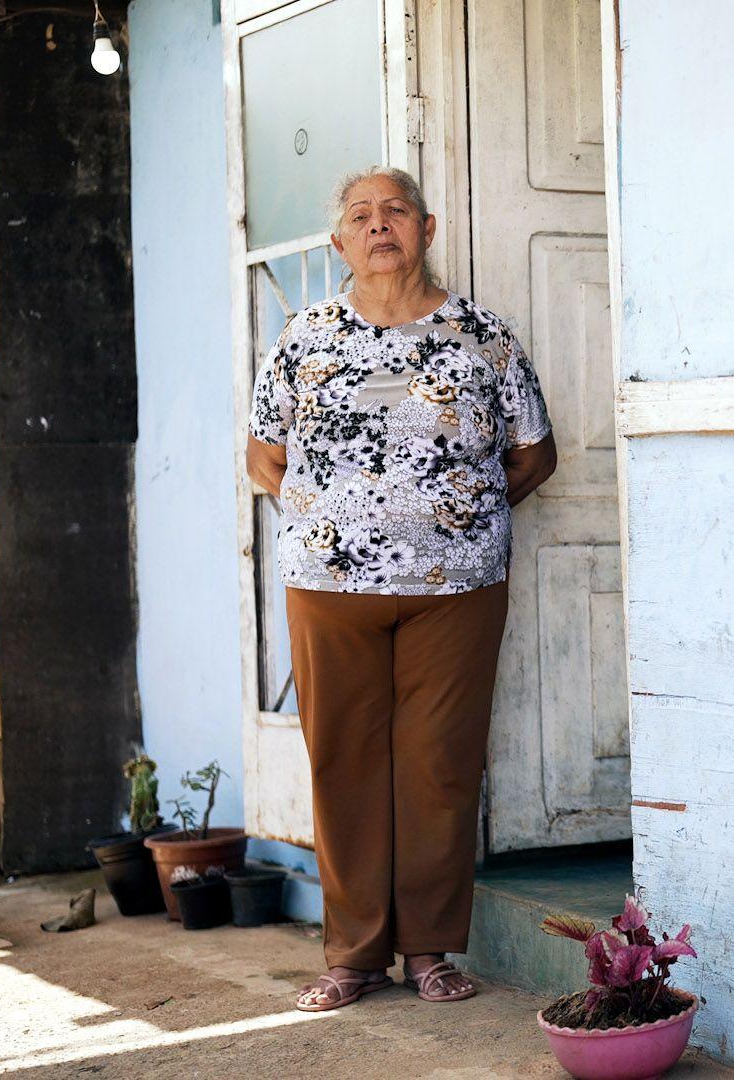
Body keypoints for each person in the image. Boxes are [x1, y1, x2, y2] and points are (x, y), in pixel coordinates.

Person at [244, 165, 557, 1011]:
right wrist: (331, 518)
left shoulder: (483, 336)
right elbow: (264, 455)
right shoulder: (303, 338)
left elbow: (534, 451)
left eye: (395, 211)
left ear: (426, 228)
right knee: (343, 761)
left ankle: (428, 950)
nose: (379, 225)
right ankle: (351, 955)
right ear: (339, 243)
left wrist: (458, 514)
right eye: (360, 215)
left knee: (439, 766)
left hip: (455, 588)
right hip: (329, 585)